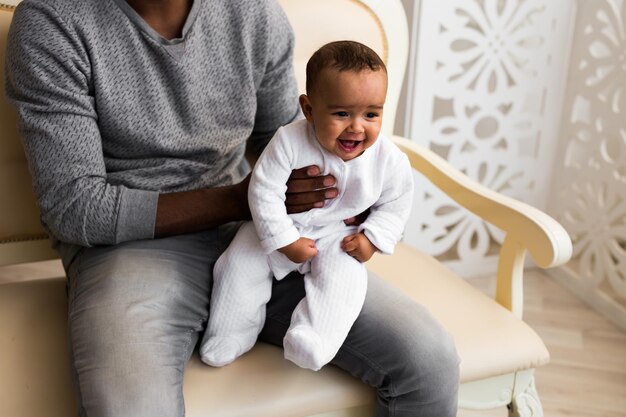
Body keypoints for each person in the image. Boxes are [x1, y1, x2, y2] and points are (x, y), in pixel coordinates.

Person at [5, 0, 460, 416]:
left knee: (429, 361)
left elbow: (284, 140)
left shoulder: (254, 14)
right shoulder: (54, 22)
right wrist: (240, 199)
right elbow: (75, 208)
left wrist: (342, 190)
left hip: (258, 231)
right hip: (130, 249)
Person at [201, 41, 414, 372]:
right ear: (310, 109)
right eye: (342, 113)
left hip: (338, 235)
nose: (357, 126)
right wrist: (284, 239)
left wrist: (371, 239)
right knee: (238, 264)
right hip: (281, 226)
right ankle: (230, 332)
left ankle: (313, 339)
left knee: (345, 282)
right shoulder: (288, 141)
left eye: (371, 114)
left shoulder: (389, 160)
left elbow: (396, 203)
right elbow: (264, 190)